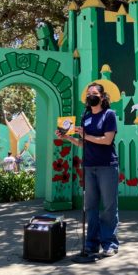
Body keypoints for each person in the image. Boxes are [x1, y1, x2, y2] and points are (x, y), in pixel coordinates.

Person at [57, 83, 119, 256]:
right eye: (88, 93)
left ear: (102, 97)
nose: (90, 95)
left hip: (107, 166)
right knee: (90, 206)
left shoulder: (109, 115)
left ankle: (109, 244)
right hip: (89, 166)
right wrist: (68, 137)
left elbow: (107, 140)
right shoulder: (85, 117)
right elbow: (82, 143)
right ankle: (91, 243)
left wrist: (86, 135)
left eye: (94, 93)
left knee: (108, 207)